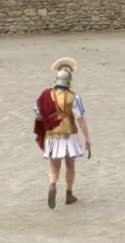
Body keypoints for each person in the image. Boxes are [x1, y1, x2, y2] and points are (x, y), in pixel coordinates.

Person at [34, 57, 91, 209]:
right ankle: (69, 193)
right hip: (69, 136)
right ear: (69, 81)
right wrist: (87, 138)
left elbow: (38, 115)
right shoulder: (74, 97)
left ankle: (52, 184)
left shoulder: (45, 96)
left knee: (54, 166)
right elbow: (81, 120)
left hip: (52, 136)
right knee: (70, 165)